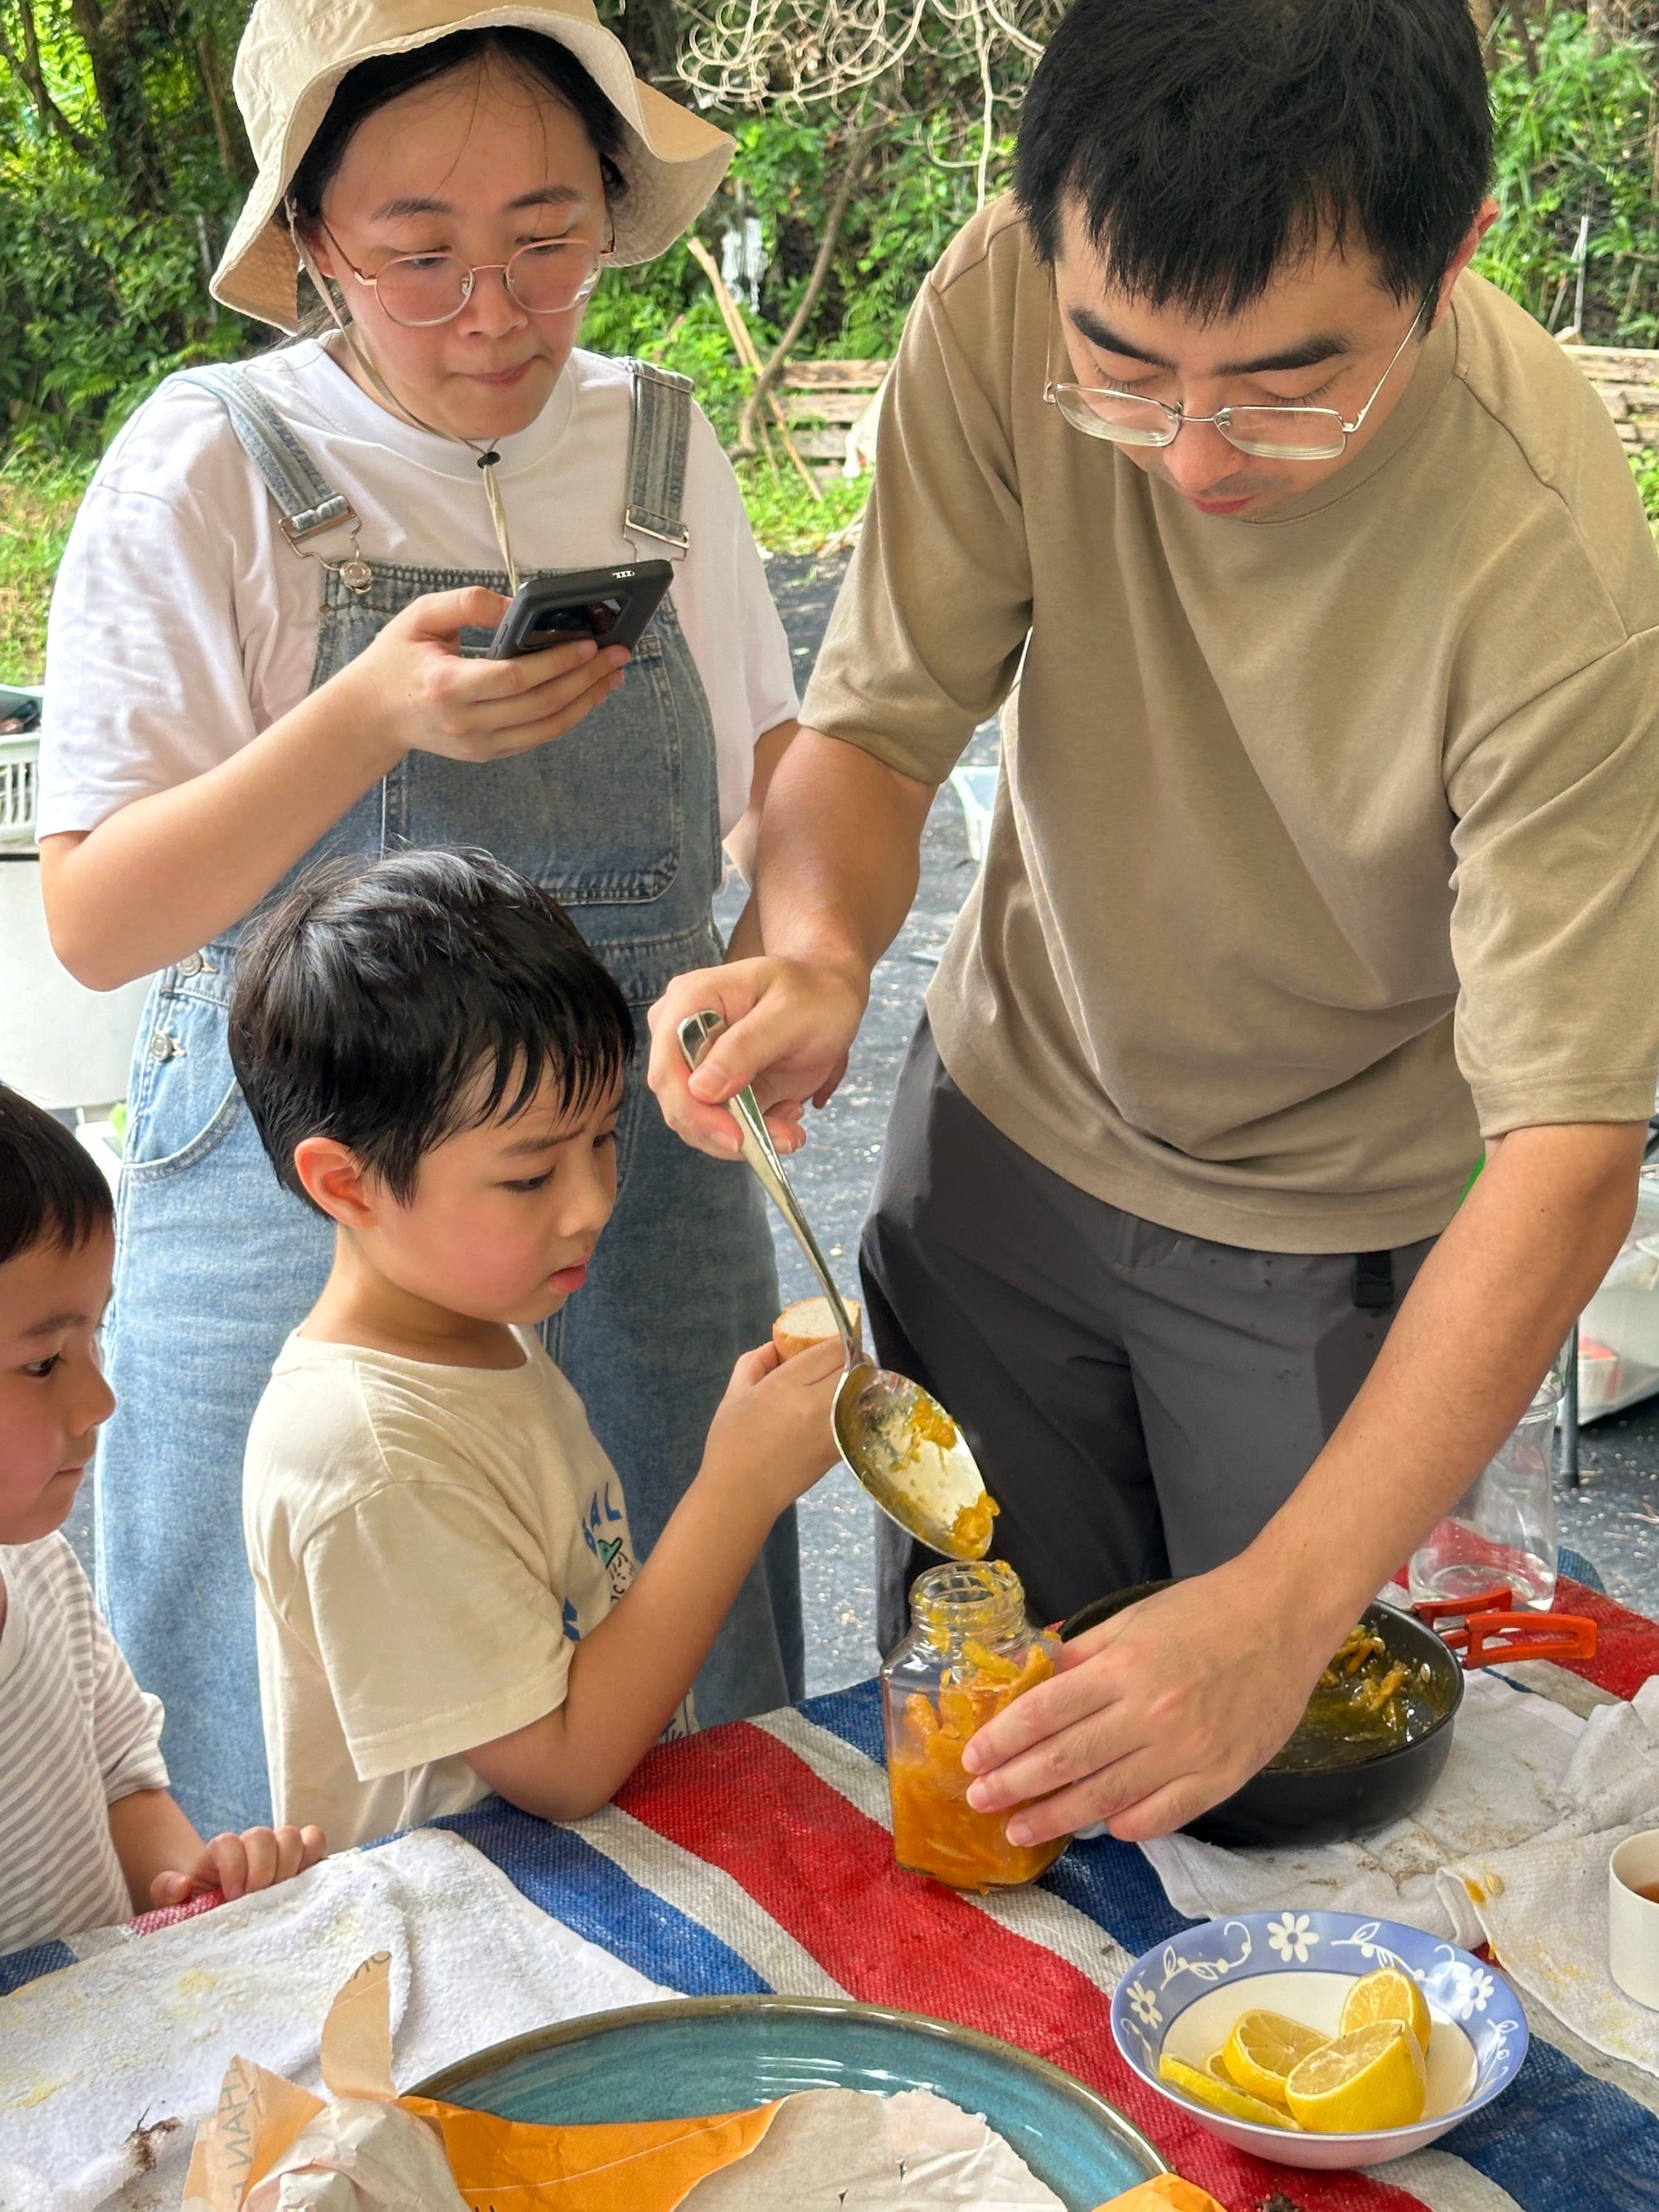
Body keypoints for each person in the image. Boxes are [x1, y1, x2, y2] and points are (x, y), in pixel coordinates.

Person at [649, 0, 1659, 1844]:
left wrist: (1278, 1607)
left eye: (1286, 383)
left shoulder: (1553, 561)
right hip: (1005, 1145)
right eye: (1124, 370)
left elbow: (1570, 1149)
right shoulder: (1002, 300)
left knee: (1275, 1783)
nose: (1190, 458)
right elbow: (873, 724)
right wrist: (815, 951)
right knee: (983, 1745)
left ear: (1453, 255)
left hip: (1321, 1235)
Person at [36, 0, 802, 1836]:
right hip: (315, 1160)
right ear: (308, 240)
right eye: (420, 255)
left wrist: (786, 954)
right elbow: (94, 913)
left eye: (548, 243)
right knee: (278, 1731)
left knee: (670, 1646)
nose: (496, 313)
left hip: (631, 1139)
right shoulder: (207, 456)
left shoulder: (660, 442)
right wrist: (364, 714)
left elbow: (779, 779)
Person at [232, 851, 840, 1847]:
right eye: (527, 1177)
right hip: (477, 1948)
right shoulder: (370, 1453)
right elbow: (561, 1767)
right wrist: (739, 1484)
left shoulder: (475, 1333)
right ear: (345, 1184)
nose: (592, 1203)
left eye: (601, 1139)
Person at [0, 1085, 324, 1955]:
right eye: (42, 1363)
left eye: (95, 1337)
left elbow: (123, 1784)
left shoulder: (39, 1569)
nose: (99, 1398)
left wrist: (190, 1886)